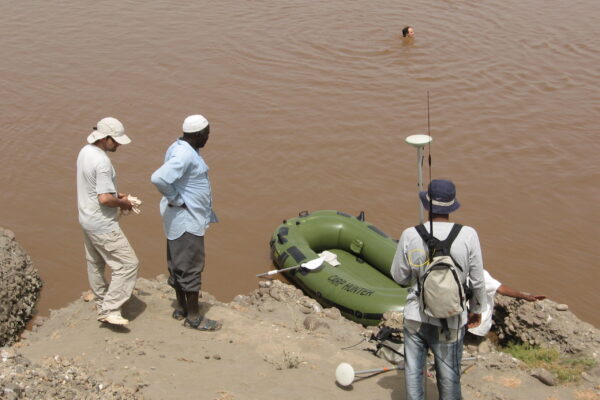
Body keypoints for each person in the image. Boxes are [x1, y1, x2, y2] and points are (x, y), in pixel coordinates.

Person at [391, 179, 486, 400]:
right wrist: (476, 309)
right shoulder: (469, 234)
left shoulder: (410, 234)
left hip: (416, 315)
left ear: (427, 205)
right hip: (451, 318)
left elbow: (398, 276)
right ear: (452, 205)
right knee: (449, 376)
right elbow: (478, 281)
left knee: (414, 374)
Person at [150, 114, 221, 331]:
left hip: (177, 220)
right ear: (198, 134)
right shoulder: (185, 155)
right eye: (207, 134)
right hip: (187, 220)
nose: (208, 138)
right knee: (190, 267)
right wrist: (177, 199)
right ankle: (193, 317)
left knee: (177, 264)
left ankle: (180, 307)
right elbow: (158, 178)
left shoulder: (178, 147)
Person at [76, 117, 139, 326]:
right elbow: (104, 199)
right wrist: (124, 203)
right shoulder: (102, 162)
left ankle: (102, 298)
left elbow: (95, 188)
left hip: (86, 218)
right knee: (128, 264)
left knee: (95, 262)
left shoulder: (85, 152)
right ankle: (110, 309)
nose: (119, 144)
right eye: (116, 140)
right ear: (104, 138)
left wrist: (117, 194)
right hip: (102, 224)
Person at [468, 270, 546, 337]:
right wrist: (525, 296)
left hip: (468, 322)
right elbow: (501, 289)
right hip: (476, 326)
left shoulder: (463, 273)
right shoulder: (479, 274)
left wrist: (525, 297)